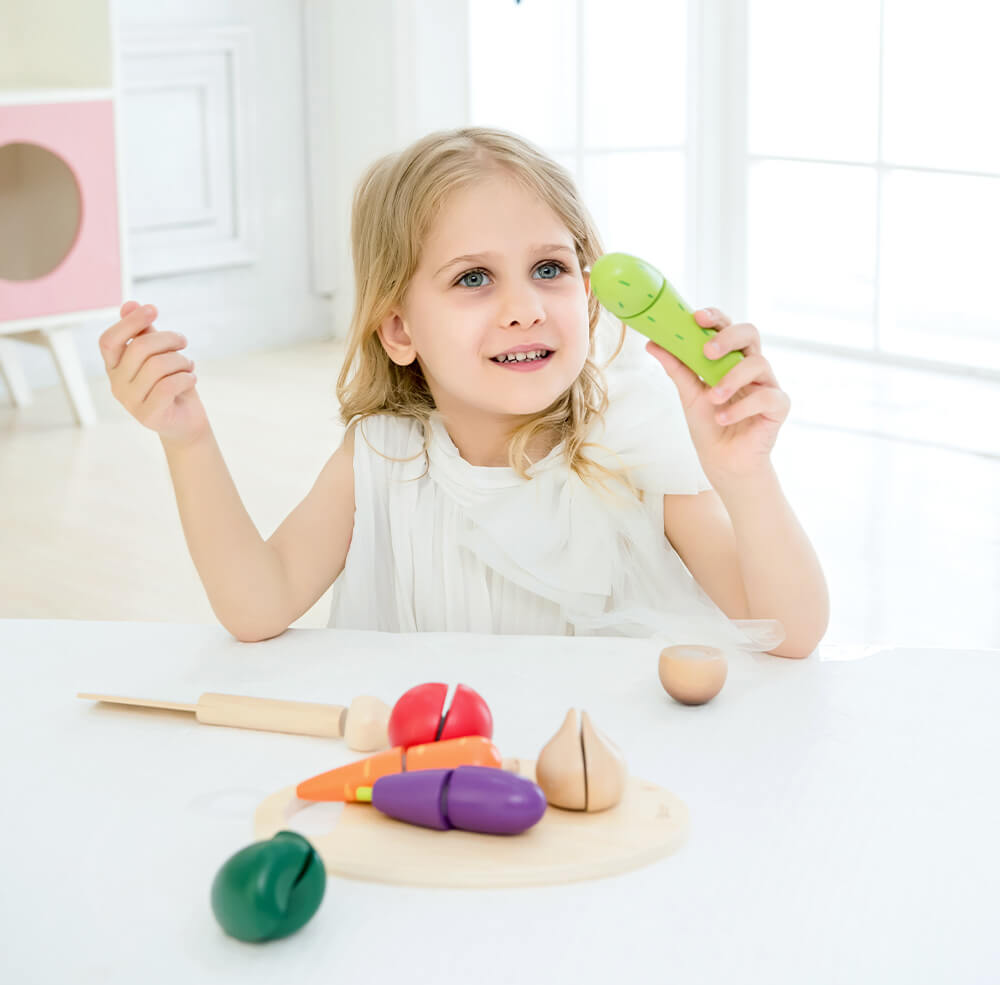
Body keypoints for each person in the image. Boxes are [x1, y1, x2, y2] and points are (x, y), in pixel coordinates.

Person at [98, 126, 828, 658]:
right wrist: (187, 438)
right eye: (473, 278)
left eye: (550, 268)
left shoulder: (633, 443)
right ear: (399, 328)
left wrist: (745, 476)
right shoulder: (381, 458)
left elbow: (789, 632)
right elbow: (255, 607)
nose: (525, 307)